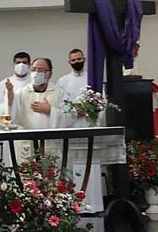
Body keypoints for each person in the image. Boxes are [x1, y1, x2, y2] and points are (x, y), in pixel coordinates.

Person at [56, 49, 104, 213]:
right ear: (69, 62)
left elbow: (102, 102)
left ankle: (94, 205)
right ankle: (74, 205)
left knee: (92, 166)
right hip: (72, 128)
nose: (77, 62)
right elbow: (60, 106)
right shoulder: (63, 81)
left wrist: (90, 110)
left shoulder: (93, 78)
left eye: (79, 59)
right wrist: (74, 111)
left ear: (84, 59)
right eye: (73, 60)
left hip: (89, 126)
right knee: (73, 167)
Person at [7, 57, 74, 160]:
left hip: (50, 145)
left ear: (49, 74)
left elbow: (70, 118)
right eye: (34, 69)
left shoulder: (59, 93)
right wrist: (10, 96)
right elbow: (12, 116)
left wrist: (50, 111)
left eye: (40, 70)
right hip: (28, 144)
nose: (36, 73)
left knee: (50, 169)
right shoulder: (22, 92)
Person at [0, 52, 31, 116]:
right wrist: (10, 104)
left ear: (29, 65)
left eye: (24, 62)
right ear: (13, 64)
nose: (21, 65)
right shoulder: (3, 84)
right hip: (11, 121)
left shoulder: (34, 83)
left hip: (31, 121)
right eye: (18, 62)